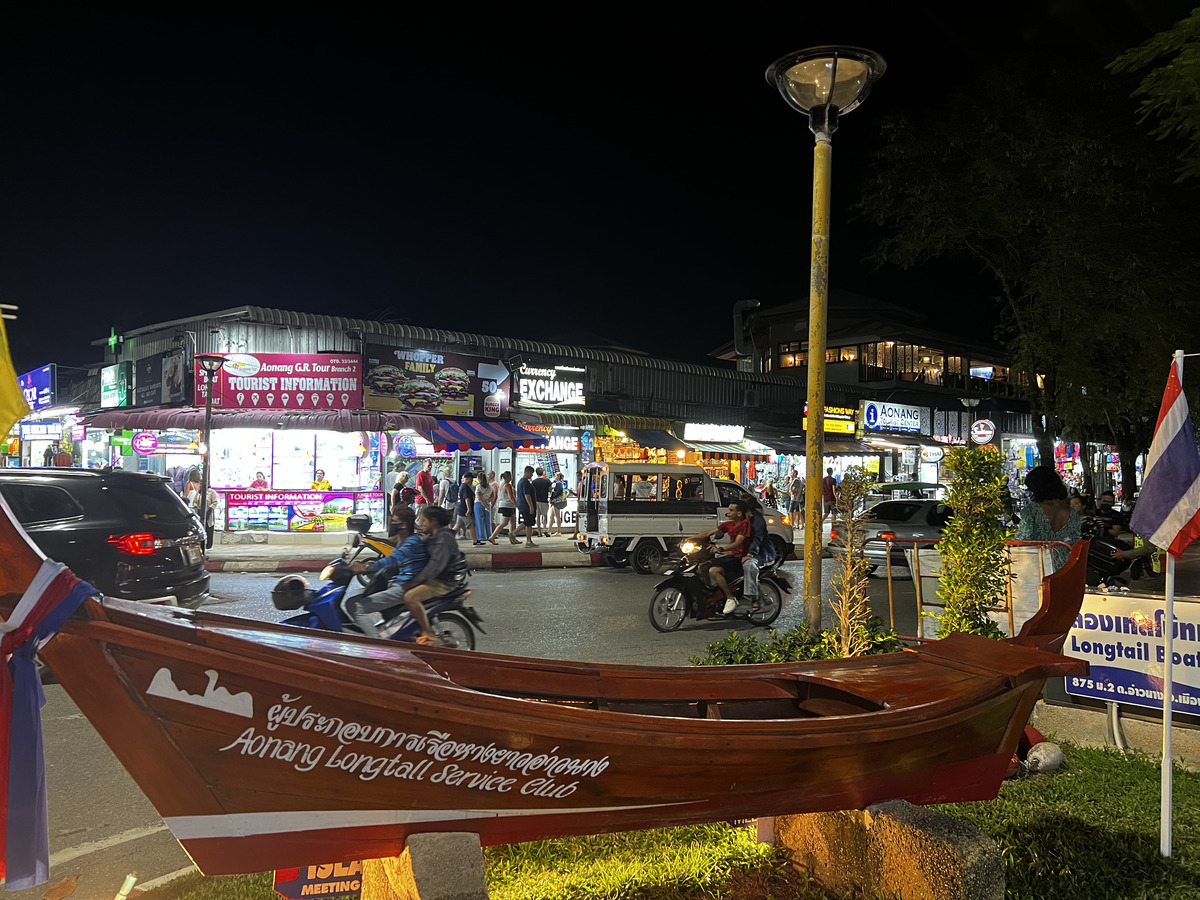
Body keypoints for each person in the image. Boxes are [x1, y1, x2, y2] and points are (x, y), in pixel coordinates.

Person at [346, 507, 427, 638]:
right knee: (353, 601)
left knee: (357, 607)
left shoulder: (412, 542)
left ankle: (378, 644)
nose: (392, 524)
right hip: (397, 582)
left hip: (404, 587)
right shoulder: (403, 541)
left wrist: (366, 566)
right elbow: (393, 565)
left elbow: (392, 559)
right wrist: (370, 572)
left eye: (395, 522)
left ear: (404, 524)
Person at [686, 499, 752, 615]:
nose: (728, 513)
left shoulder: (745, 524)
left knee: (714, 571)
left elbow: (738, 543)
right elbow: (708, 533)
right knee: (702, 567)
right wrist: (691, 538)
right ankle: (710, 594)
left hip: (739, 557)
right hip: (730, 555)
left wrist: (721, 549)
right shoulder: (729, 524)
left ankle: (730, 598)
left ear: (739, 513)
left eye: (731, 510)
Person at [1015, 465, 1081, 570]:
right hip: (1066, 568)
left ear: (1037, 489)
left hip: (1039, 568)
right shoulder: (1072, 513)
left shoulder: (1032, 510)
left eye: (1030, 489)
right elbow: (1076, 542)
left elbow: (1022, 540)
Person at [739, 496, 777, 611]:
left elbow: (757, 539)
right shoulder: (742, 520)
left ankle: (754, 598)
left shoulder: (758, 520)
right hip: (744, 552)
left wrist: (750, 554)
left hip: (762, 554)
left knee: (749, 565)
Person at [490, 471, 520, 545]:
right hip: (508, 505)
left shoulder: (502, 484)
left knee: (512, 521)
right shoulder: (507, 485)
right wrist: (516, 504)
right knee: (504, 523)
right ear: (509, 477)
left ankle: (512, 537)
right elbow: (511, 496)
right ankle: (492, 536)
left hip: (505, 505)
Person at [515, 465, 538, 546]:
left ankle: (514, 533)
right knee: (529, 524)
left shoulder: (520, 482)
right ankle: (528, 541)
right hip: (526, 506)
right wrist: (531, 506)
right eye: (531, 473)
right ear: (527, 472)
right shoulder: (525, 482)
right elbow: (527, 495)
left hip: (522, 505)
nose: (532, 475)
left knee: (527, 522)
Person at [473, 469, 494, 545]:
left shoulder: (478, 487)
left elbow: (479, 498)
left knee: (479, 521)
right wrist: (487, 502)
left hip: (479, 504)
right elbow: (493, 496)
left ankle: (481, 536)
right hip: (488, 504)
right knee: (487, 521)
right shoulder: (490, 486)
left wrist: (484, 504)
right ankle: (489, 535)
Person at [532, 467, 552, 535]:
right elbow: (550, 489)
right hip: (544, 500)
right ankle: (545, 529)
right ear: (543, 473)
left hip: (536, 500)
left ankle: (539, 531)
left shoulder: (534, 482)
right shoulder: (547, 481)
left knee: (538, 516)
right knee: (545, 515)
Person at [454, 472, 475, 538]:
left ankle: (447, 537)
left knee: (457, 526)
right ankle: (475, 540)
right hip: (464, 509)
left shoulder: (462, 486)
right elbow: (467, 498)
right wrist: (469, 509)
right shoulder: (465, 487)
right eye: (471, 479)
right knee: (471, 524)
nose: (472, 481)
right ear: (468, 479)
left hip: (460, 508)